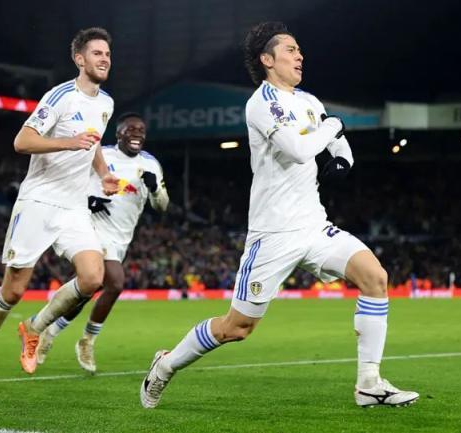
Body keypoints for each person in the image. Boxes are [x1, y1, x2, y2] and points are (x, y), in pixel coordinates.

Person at [139, 21, 419, 408]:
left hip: (314, 226)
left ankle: (369, 383)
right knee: (237, 327)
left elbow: (339, 146)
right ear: (267, 60)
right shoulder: (262, 103)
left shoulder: (309, 102)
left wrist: (342, 160)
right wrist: (334, 125)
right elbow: (300, 150)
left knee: (375, 277)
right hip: (273, 234)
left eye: (299, 50)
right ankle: (166, 365)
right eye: (291, 49)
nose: (300, 55)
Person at [0, 27, 119, 389]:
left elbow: (94, 142)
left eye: (108, 54)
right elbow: (22, 141)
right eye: (97, 53)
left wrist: (104, 173)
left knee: (93, 277)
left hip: (74, 207)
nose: (105, 59)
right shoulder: (60, 96)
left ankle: (34, 327)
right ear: (79, 59)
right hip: (38, 201)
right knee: (14, 290)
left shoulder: (106, 103)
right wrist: (68, 142)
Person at [35, 112, 169, 373]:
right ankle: (87, 340)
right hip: (91, 227)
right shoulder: (102, 155)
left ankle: (49, 332)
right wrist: (87, 200)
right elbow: (71, 182)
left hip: (121, 238)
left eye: (141, 130)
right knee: (115, 282)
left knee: (87, 289)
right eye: (131, 129)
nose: (137, 134)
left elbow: (162, 206)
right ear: (118, 134)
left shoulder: (151, 164)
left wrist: (155, 189)